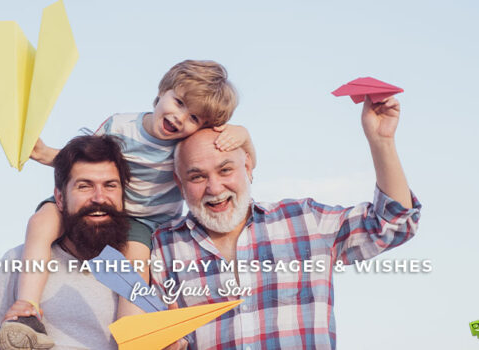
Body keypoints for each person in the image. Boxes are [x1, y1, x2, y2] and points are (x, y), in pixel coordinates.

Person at [4, 60, 257, 337]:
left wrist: (242, 134)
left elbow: (245, 158)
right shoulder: (120, 126)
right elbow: (86, 163)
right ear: (162, 91)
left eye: (194, 118)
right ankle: (26, 309)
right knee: (41, 221)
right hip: (103, 205)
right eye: (180, 103)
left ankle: (132, 336)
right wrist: (44, 154)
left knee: (135, 266)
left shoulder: (185, 145)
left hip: (147, 222)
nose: (180, 118)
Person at [150, 97, 422, 349]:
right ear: (180, 183)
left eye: (225, 170)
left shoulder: (304, 220)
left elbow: (393, 224)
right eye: (197, 177)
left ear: (247, 167)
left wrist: (382, 141)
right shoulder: (163, 249)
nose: (214, 187)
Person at [0, 135, 187, 350]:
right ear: (59, 198)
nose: (99, 197)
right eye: (84, 186)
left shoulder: (153, 268)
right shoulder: (20, 261)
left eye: (110, 185)